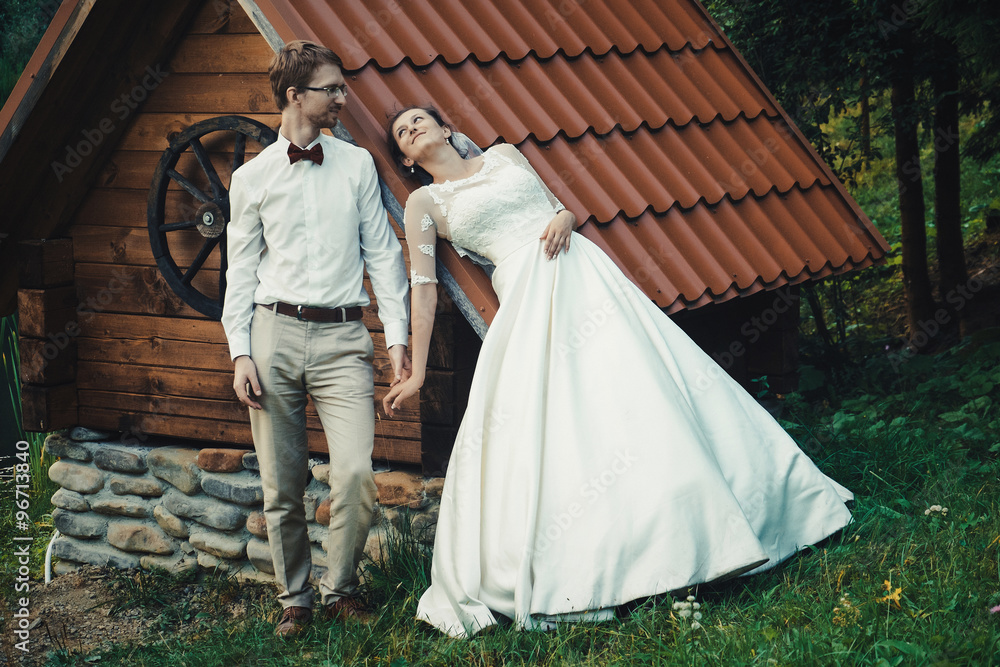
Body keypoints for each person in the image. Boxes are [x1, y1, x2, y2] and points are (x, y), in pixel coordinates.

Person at [382, 106, 854, 638]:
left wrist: (563, 218)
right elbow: (423, 288)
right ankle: (612, 559)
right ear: (406, 157)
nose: (413, 129)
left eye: (420, 120)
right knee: (569, 420)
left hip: (585, 275)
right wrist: (418, 371)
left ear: (446, 129)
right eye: (402, 132)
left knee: (642, 391)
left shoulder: (504, 156)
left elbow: (559, 208)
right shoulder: (423, 203)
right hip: (529, 298)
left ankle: (723, 524)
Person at [220, 41, 411, 638]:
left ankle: (341, 589)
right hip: (271, 334)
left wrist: (397, 335)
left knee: (353, 472)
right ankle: (295, 599)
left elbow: (383, 253)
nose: (342, 97)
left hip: (344, 338)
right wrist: (240, 351)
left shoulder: (355, 165)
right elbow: (241, 271)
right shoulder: (250, 179)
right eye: (332, 88)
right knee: (282, 482)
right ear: (294, 95)